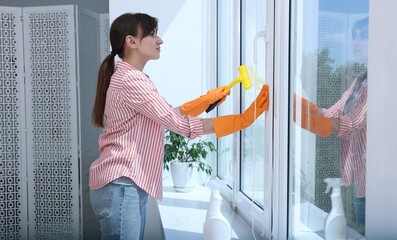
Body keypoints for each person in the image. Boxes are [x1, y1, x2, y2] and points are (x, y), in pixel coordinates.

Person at [89, 13, 269, 240]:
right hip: (122, 185)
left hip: (124, 185)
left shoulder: (133, 77)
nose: (160, 40)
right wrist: (241, 120)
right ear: (131, 42)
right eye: (152, 34)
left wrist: (203, 101)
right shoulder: (131, 80)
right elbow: (179, 125)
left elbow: (165, 116)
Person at [294, 17, 368, 235]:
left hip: (375, 178)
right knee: (362, 227)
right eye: (354, 36)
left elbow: (353, 123)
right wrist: (296, 103)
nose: (355, 41)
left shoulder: (381, 81)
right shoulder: (359, 80)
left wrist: (322, 125)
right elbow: (330, 112)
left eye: (362, 36)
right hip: (358, 175)